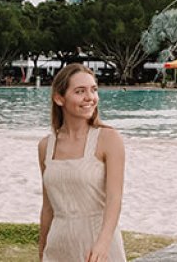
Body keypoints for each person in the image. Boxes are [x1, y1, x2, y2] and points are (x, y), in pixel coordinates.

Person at [37, 64, 127, 262]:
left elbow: (115, 199)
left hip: (98, 246)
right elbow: (48, 207)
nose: (90, 97)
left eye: (93, 90)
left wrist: (103, 244)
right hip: (59, 247)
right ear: (59, 98)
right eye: (80, 91)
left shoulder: (109, 139)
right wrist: (42, 251)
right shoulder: (46, 146)